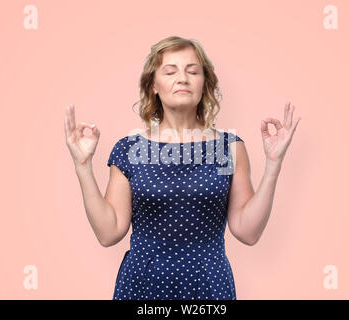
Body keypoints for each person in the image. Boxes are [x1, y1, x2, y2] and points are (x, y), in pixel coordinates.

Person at [63, 36, 301, 300]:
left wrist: (273, 164)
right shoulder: (130, 149)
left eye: (193, 71)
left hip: (208, 285)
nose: (183, 78)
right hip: (143, 284)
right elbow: (109, 233)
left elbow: (248, 231)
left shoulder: (228, 148)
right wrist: (82, 166)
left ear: (204, 84)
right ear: (153, 85)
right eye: (170, 71)